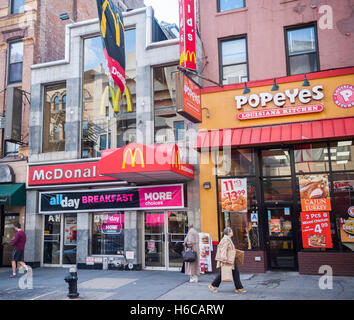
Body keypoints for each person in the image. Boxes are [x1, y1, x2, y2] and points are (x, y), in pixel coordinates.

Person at [208, 227, 246, 293]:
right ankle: (212, 285)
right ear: (228, 232)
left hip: (231, 259)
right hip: (227, 259)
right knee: (223, 273)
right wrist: (223, 259)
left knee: (235, 273)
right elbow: (223, 249)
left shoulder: (228, 239)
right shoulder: (226, 239)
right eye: (231, 231)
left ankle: (238, 288)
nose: (232, 232)